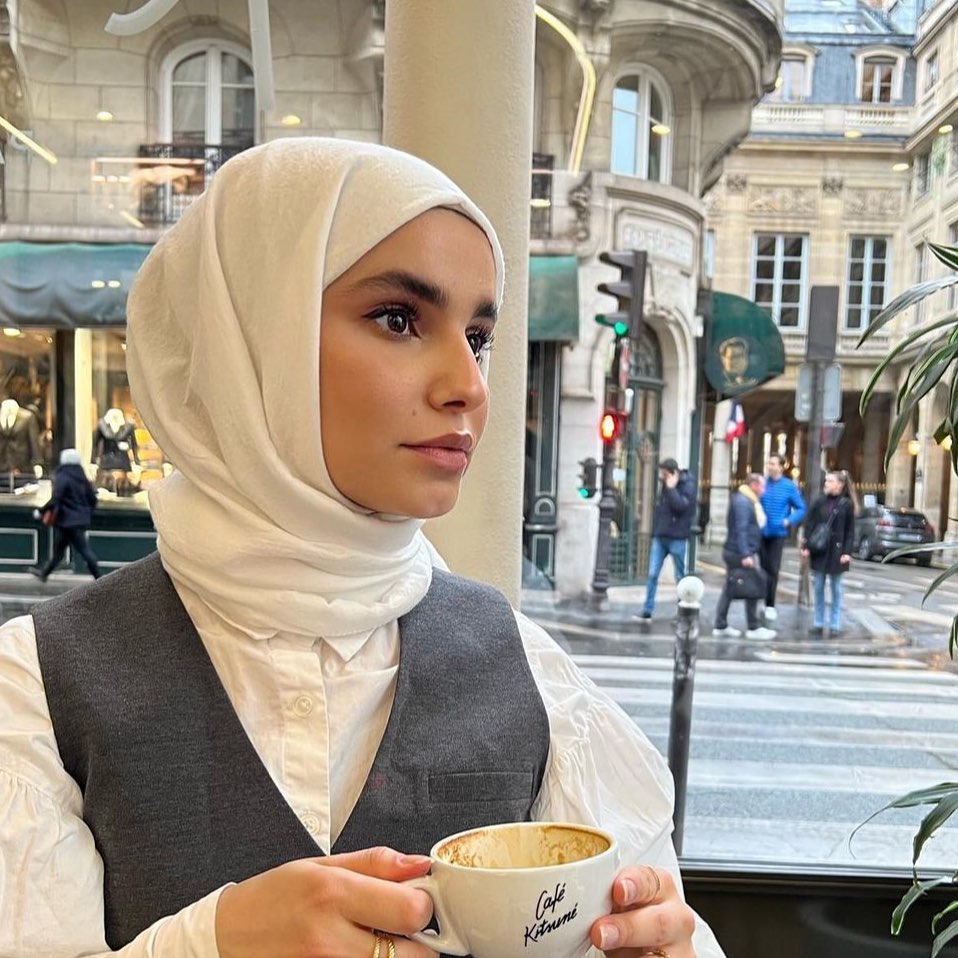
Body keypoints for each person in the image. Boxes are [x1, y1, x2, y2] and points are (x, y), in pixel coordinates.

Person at [0, 139, 723, 958]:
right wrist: (211, 941)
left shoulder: (532, 674)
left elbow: (642, 924)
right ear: (251, 338)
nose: (469, 385)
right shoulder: (36, 688)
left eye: (478, 335)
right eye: (399, 319)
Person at [713, 473, 776, 640]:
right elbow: (741, 529)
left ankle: (720, 624)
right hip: (740, 551)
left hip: (736, 550)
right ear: (754, 485)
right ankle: (753, 627)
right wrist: (746, 554)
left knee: (730, 588)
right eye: (762, 486)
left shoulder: (746, 500)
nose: (763, 490)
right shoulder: (744, 502)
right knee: (753, 587)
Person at [28, 447, 101, 582]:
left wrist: (41, 511)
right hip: (78, 520)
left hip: (66, 520)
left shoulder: (63, 476)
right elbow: (92, 499)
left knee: (83, 550)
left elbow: (56, 499)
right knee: (60, 550)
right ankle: (44, 574)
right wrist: (85, 512)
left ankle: (99, 577)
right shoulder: (82, 477)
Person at [801, 469, 856, 636]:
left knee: (836, 588)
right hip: (820, 549)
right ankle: (818, 622)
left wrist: (847, 552)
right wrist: (806, 546)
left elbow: (850, 530)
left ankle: (835, 624)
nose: (826, 484)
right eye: (826, 481)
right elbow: (809, 524)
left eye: (830, 481)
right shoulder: (819, 502)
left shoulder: (846, 504)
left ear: (839, 485)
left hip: (837, 552)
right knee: (818, 586)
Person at [640, 457, 696, 619]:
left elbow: (681, 507)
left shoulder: (687, 486)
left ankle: (683, 610)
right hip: (661, 535)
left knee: (679, 575)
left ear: (673, 473)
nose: (662, 477)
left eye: (664, 474)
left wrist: (671, 489)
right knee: (652, 574)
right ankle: (647, 609)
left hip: (677, 537)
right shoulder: (665, 485)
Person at [758, 453, 806, 621]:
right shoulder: (762, 483)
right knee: (762, 569)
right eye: (768, 463)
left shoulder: (789, 486)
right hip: (761, 532)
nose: (769, 466)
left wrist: (789, 521)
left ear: (780, 467)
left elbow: (801, 508)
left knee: (773, 569)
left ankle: (770, 604)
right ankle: (761, 599)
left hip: (778, 533)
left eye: (773, 464)